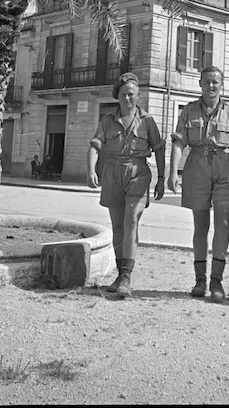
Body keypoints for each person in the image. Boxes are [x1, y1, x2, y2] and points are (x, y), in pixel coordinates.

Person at [167, 66, 229, 302]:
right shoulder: (189, 111)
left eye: (216, 82)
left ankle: (217, 280)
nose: (211, 86)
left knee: (222, 223)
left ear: (221, 85)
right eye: (207, 82)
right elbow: (179, 142)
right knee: (200, 226)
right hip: (197, 168)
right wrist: (174, 171)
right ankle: (200, 280)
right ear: (200, 84)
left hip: (225, 169)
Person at [87, 72, 165, 298]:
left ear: (138, 96)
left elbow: (159, 148)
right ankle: (121, 275)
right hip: (112, 173)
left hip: (138, 173)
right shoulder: (107, 120)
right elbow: (95, 145)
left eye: (131, 94)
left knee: (131, 220)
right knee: (118, 226)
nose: (127, 99)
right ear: (117, 96)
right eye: (123, 95)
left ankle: (127, 277)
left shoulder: (148, 121)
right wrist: (91, 169)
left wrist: (161, 178)